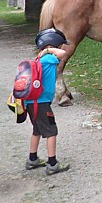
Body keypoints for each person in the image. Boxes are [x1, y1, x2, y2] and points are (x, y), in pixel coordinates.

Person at [25, 28, 70, 175]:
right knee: (51, 131)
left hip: (31, 103)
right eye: (60, 45)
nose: (62, 48)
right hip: (42, 103)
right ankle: (52, 163)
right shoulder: (48, 58)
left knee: (37, 130)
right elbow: (63, 54)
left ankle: (32, 159)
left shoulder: (38, 59)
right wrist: (49, 51)